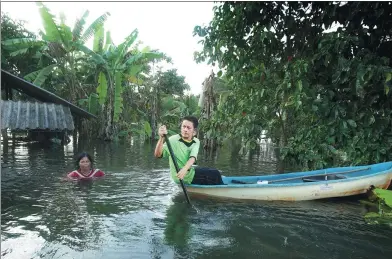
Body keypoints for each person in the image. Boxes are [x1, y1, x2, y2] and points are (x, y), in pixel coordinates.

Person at [154, 116, 224, 185]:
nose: (185, 129)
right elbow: (158, 155)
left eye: (188, 128)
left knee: (211, 170)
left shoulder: (196, 141)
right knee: (215, 173)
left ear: (194, 131)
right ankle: (221, 189)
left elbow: (192, 158)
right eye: (183, 127)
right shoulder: (172, 140)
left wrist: (184, 170)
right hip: (181, 176)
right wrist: (161, 138)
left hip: (187, 172)